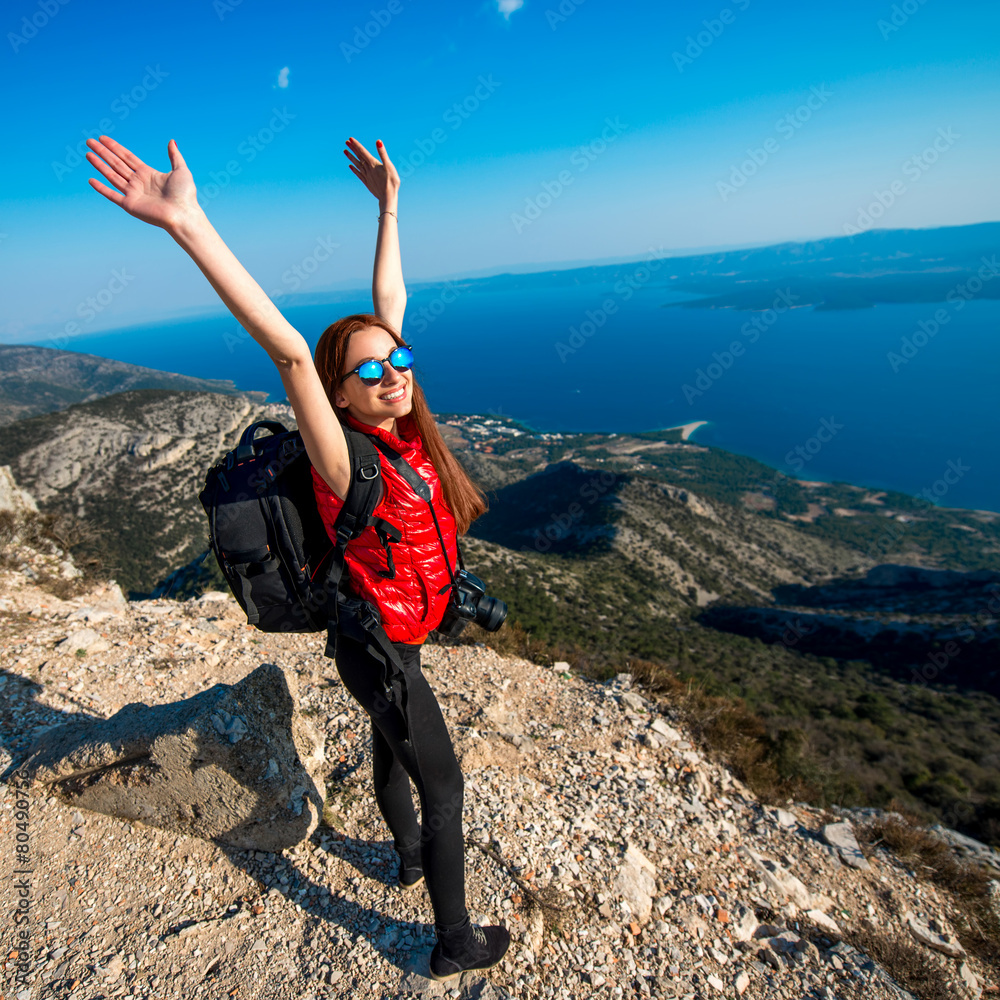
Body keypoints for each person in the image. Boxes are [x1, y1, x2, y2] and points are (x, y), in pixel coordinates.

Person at [84, 132, 511, 982]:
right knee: (446, 785)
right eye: (370, 370)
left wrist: (390, 207)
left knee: (395, 752)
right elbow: (285, 347)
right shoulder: (344, 457)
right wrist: (187, 224)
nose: (393, 372)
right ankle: (454, 941)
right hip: (377, 647)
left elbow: (389, 301)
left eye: (400, 360)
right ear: (339, 394)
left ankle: (408, 859)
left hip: (393, 640)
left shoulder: (405, 436)